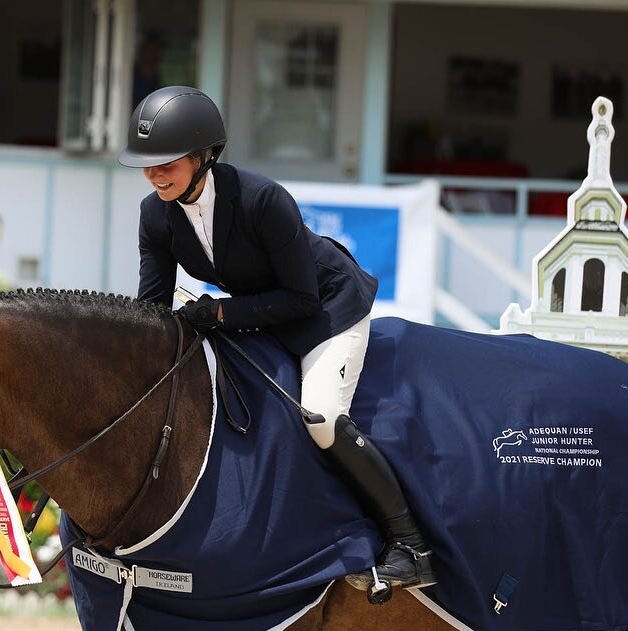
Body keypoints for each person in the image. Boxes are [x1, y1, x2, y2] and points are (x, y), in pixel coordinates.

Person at [117, 85, 435, 595]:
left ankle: (411, 545)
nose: (154, 175)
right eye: (146, 164)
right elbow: (151, 306)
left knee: (323, 418)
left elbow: (300, 300)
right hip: (260, 316)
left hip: (325, 310)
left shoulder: (263, 199)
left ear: (203, 156)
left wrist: (218, 311)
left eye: (166, 162)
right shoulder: (155, 215)